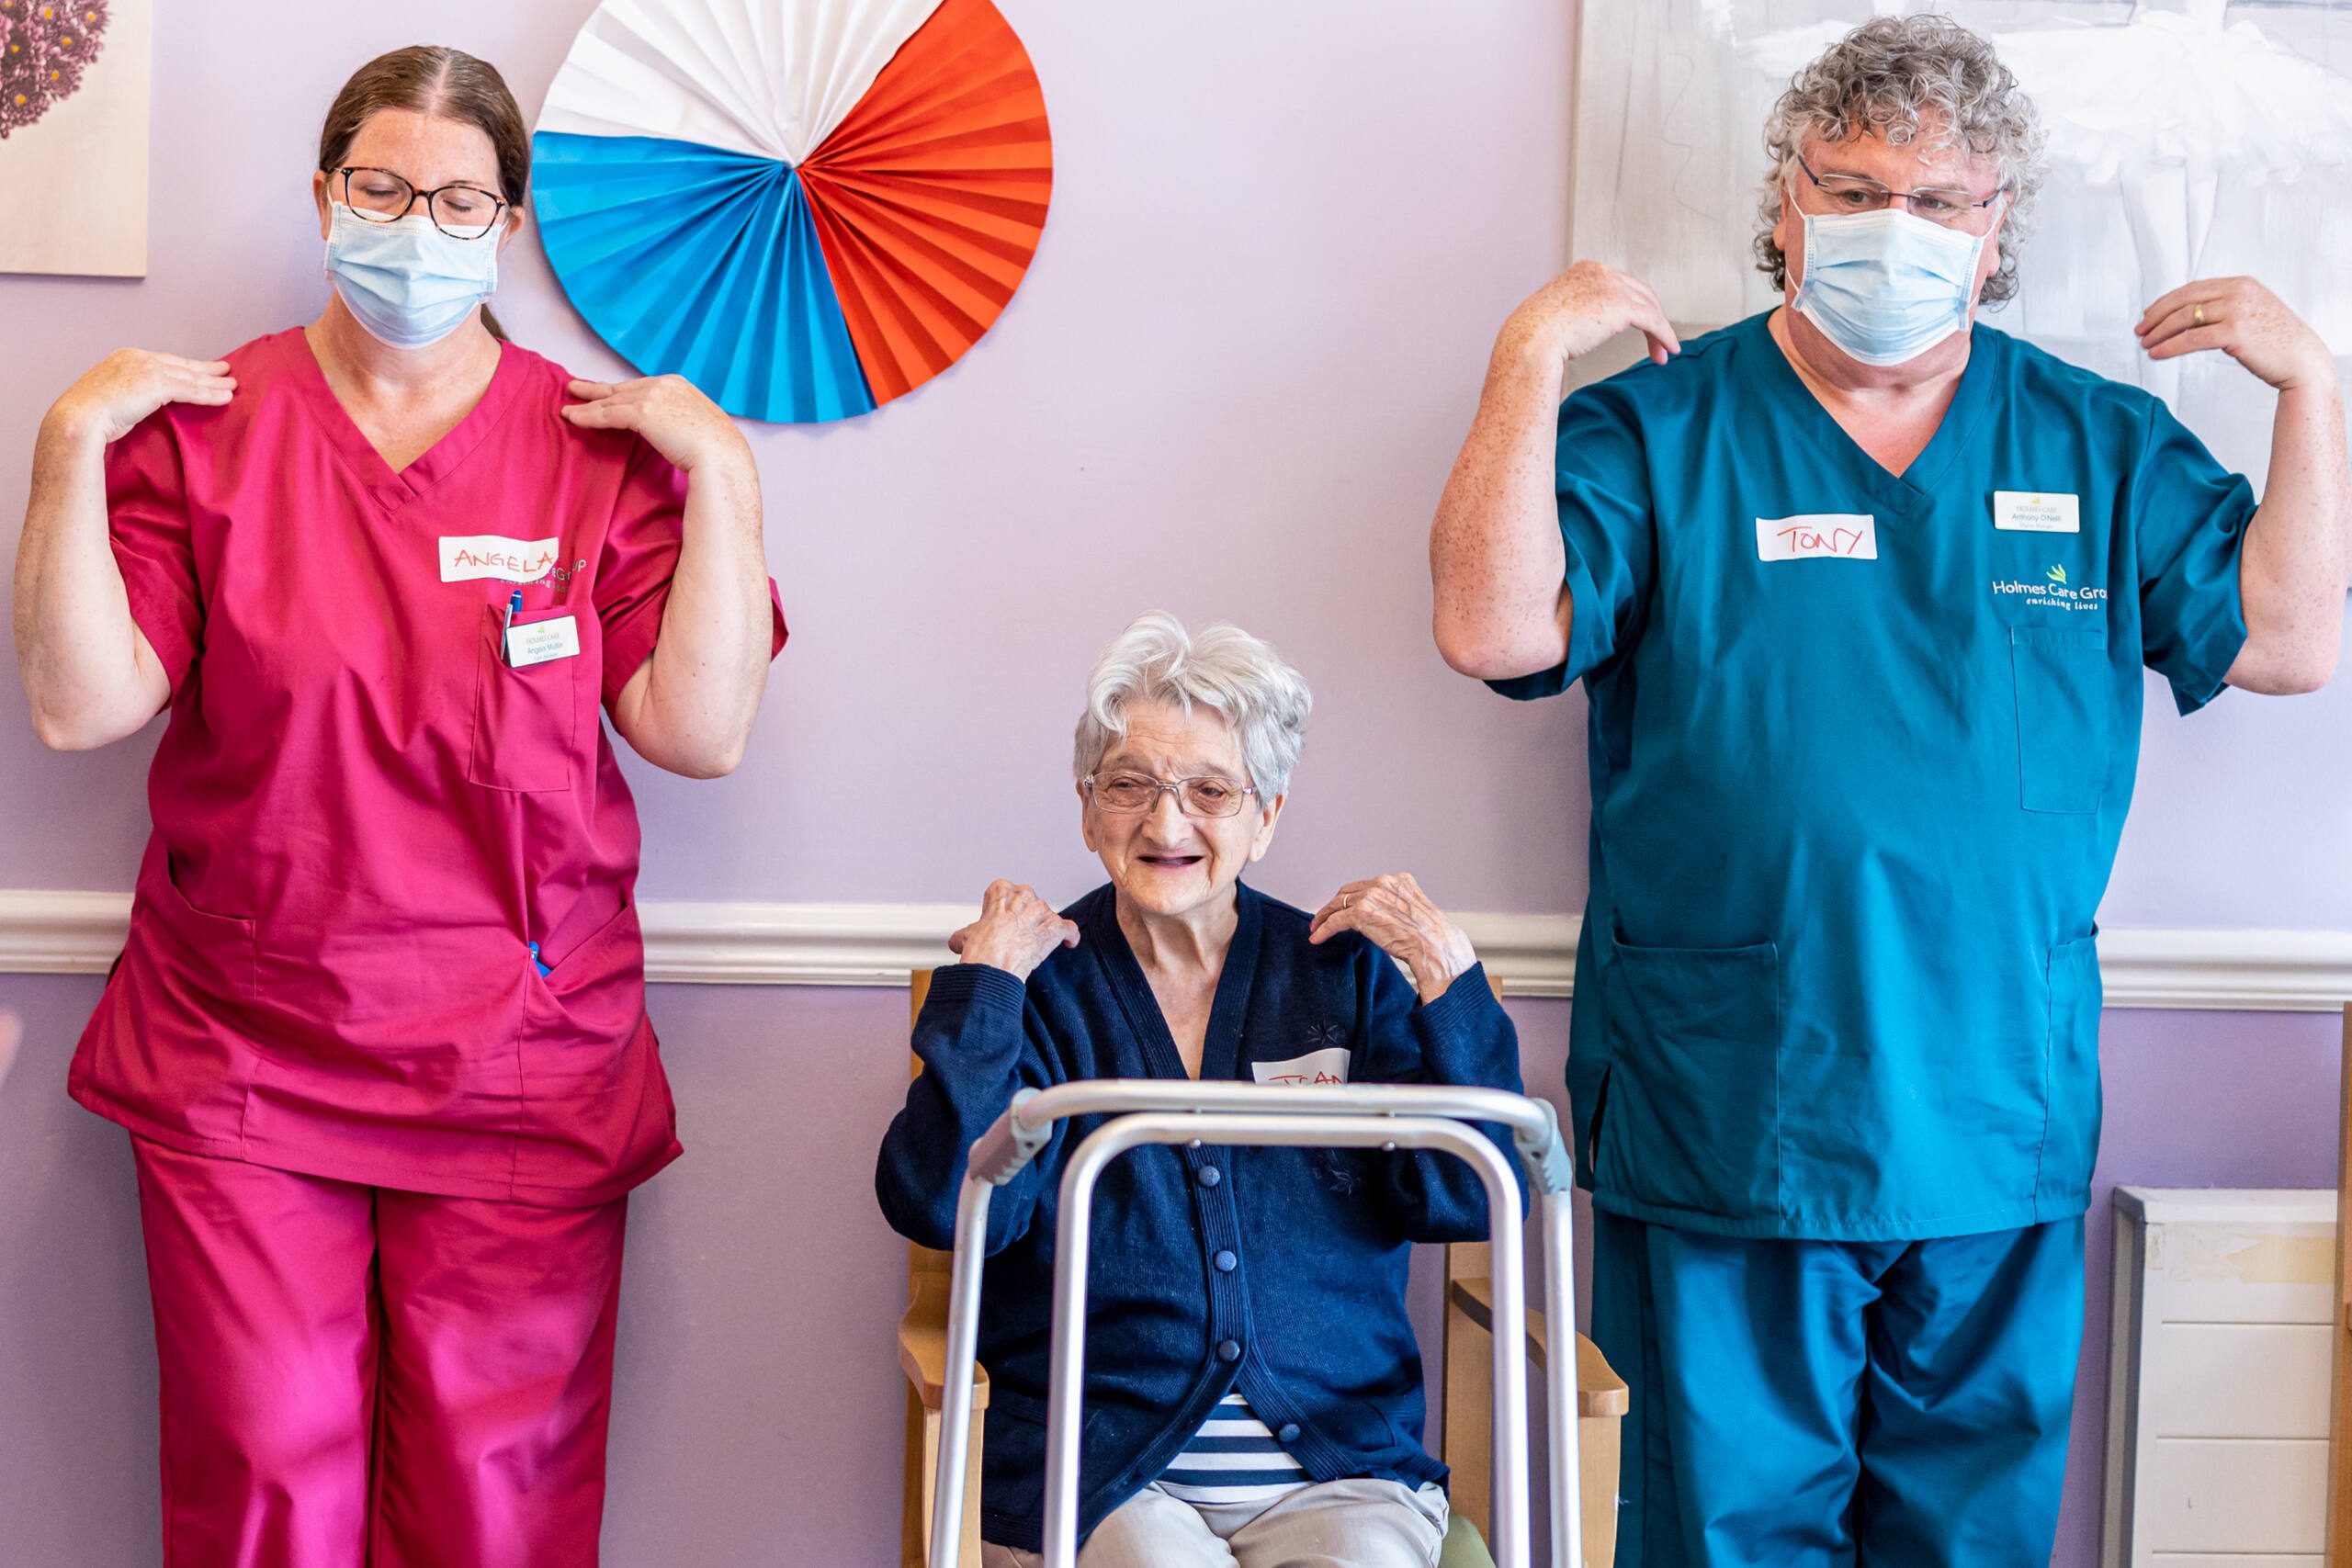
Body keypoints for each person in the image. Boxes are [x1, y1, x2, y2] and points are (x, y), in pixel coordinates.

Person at [1427, 15, 2347, 1567]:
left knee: (1968, 1539)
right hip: (1739, 1104)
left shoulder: (2094, 439)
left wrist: (2310, 383)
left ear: (1999, 234)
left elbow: (2286, 639)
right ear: (1785, 204)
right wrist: (1525, 359)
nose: (1893, 231)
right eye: (1851, 188)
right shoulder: (1660, 424)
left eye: (1941, 201)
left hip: (1993, 1102)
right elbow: (1492, 625)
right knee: (1727, 1534)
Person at [10, 45, 787, 1567]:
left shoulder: (602, 450)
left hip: (523, 1057)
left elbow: (697, 733)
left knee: (494, 1507)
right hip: (248, 1047)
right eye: (380, 185)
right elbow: (76, 704)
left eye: (454, 196)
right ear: (322, 195)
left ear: (504, 224)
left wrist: (726, 476)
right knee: (263, 1482)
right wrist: (65, 449)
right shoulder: (202, 428)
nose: (413, 224)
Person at [876, 612, 1521, 1568]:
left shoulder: (1346, 976)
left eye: (1210, 789)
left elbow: (1468, 1194)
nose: (1166, 822)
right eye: (1129, 784)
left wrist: (1448, 979)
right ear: (1089, 811)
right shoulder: (1041, 989)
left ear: (1267, 817)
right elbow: (940, 1205)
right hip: (1103, 1476)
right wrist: (988, 990)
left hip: (1342, 1473)